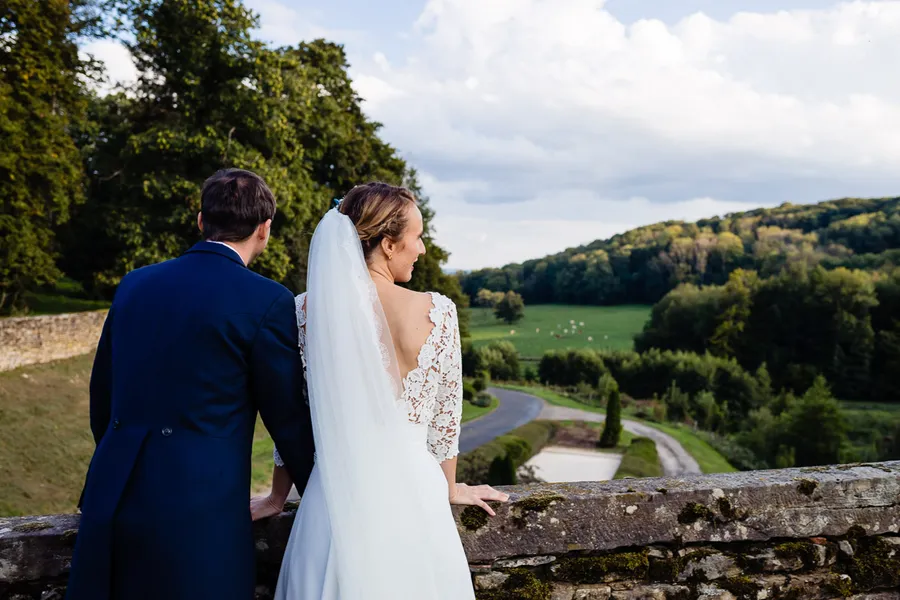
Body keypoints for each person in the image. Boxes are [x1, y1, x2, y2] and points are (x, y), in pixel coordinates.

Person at [66, 169, 316, 600]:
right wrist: (319, 492)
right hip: (198, 510)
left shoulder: (135, 283)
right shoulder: (268, 300)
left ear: (201, 221)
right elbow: (287, 418)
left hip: (112, 493)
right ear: (264, 229)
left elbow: (101, 397)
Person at [251, 182, 508, 599]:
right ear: (389, 244)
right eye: (417, 237)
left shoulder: (304, 310)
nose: (422, 249)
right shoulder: (437, 312)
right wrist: (451, 487)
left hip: (332, 497)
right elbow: (445, 418)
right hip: (415, 499)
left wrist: (278, 496)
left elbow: (291, 415)